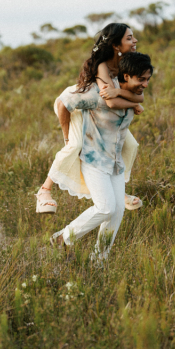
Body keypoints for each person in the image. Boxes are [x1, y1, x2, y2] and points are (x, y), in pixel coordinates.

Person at [50, 52, 154, 260]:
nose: (145, 84)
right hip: (93, 160)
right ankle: (62, 238)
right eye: (141, 79)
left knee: (117, 212)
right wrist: (68, 138)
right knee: (105, 208)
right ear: (126, 76)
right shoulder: (98, 94)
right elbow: (63, 103)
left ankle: (99, 261)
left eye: (148, 79)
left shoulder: (128, 95)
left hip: (115, 163)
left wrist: (134, 103)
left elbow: (135, 102)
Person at [35, 23, 144, 213]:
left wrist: (131, 100)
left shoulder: (124, 63)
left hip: (100, 109)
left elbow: (131, 94)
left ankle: (119, 191)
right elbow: (110, 101)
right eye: (129, 38)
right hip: (75, 105)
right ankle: (44, 191)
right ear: (115, 45)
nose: (135, 41)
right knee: (75, 145)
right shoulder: (102, 65)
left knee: (131, 145)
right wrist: (66, 137)